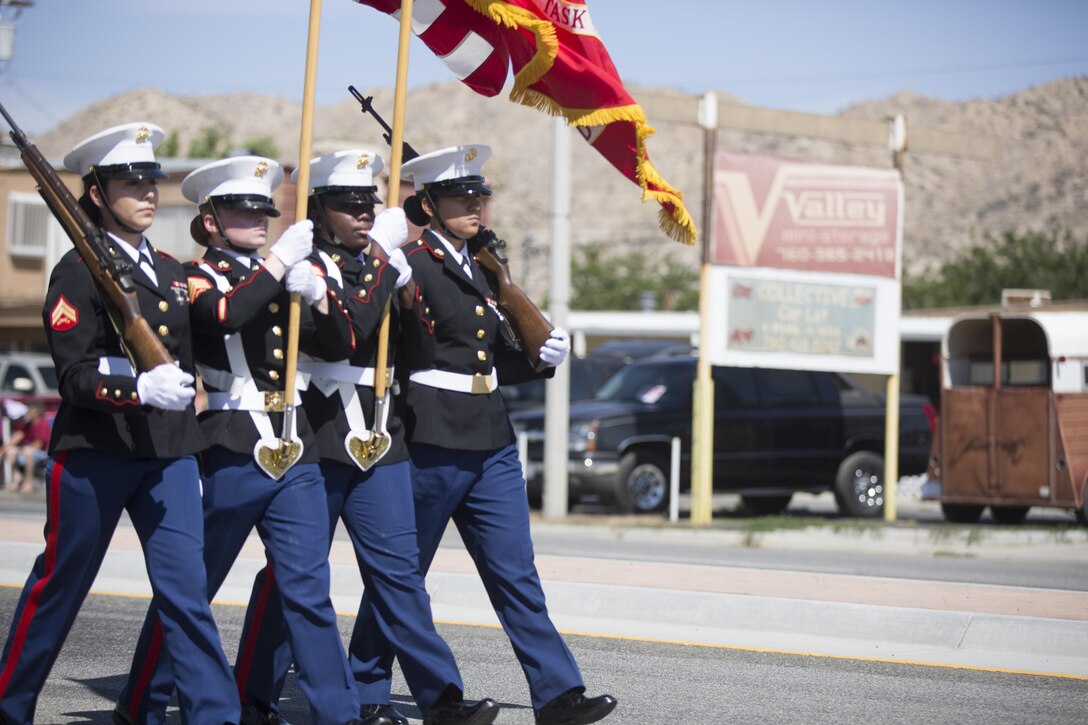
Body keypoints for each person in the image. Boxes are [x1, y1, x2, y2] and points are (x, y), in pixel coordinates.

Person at [111, 156, 389, 725]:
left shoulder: (283, 274)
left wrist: (319, 294)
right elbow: (225, 315)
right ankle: (139, 704)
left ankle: (337, 713)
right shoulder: (194, 276)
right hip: (231, 444)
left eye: (264, 209)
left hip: (296, 442)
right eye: (242, 210)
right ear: (210, 221)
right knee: (194, 588)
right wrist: (281, 266)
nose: (259, 219)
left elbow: (342, 344)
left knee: (309, 589)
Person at [231, 149, 499, 725]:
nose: (361, 214)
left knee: (400, 573)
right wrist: (377, 266)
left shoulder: (387, 264)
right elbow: (339, 340)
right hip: (320, 429)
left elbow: (423, 348)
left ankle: (441, 698)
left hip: (381, 429)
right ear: (320, 210)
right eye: (347, 205)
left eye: (367, 204)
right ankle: (252, 694)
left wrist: (406, 290)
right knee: (293, 575)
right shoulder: (312, 265)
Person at [353, 145, 618, 725]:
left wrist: (541, 355)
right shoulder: (411, 263)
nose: (475, 205)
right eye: (460, 197)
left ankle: (557, 693)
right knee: (401, 576)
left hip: (491, 437)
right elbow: (385, 343)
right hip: (428, 435)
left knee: (515, 572)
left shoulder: (484, 264)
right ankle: (365, 689)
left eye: (480, 196)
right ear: (428, 204)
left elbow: (494, 357)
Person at [0, 122, 240, 724]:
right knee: (61, 586)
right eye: (131, 184)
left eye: (152, 182)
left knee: (187, 593)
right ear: (97, 193)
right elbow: (75, 375)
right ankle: (10, 704)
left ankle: (216, 715)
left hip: (170, 452)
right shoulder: (77, 273)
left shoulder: (166, 269)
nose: (148, 194)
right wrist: (137, 386)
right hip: (95, 451)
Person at [3, 402, 51, 492]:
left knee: (28, 452)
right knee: (11, 451)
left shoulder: (42, 424)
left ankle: (28, 483)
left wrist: (21, 449)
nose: (27, 413)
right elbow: (19, 435)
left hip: (41, 453)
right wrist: (5, 448)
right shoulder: (27, 424)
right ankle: (16, 480)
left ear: (36, 412)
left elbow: (38, 444)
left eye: (29, 410)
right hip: (26, 450)